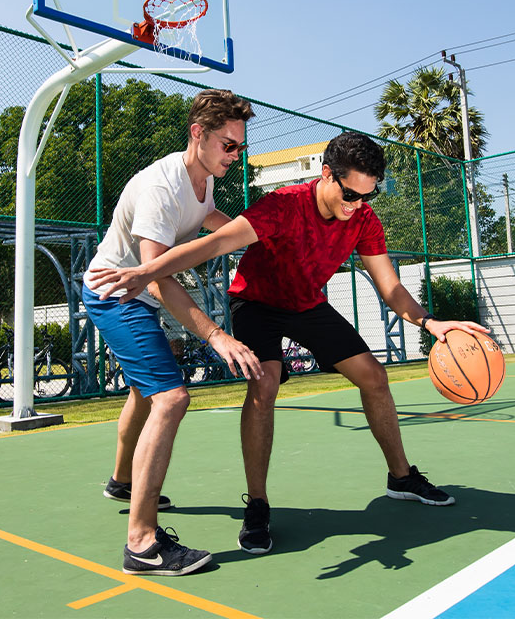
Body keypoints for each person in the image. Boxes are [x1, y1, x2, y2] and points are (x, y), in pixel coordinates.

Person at [87, 131, 488, 557]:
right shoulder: (283, 205)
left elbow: (389, 285)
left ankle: (400, 477)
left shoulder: (364, 220)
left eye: (366, 198)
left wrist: (428, 321)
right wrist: (146, 272)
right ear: (327, 174)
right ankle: (257, 506)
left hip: (305, 303)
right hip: (255, 301)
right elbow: (214, 244)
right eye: (350, 194)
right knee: (265, 384)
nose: (356, 206)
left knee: (373, 376)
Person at [82, 88, 263, 576]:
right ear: (198, 134)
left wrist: (258, 242)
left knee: (147, 391)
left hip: (137, 293)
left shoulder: (202, 181)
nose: (235, 155)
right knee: (171, 398)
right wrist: (217, 336)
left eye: (240, 146)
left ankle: (122, 482)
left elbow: (207, 220)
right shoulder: (162, 186)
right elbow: (156, 276)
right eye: (229, 144)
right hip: (117, 293)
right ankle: (141, 545)